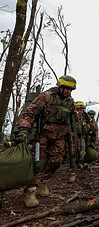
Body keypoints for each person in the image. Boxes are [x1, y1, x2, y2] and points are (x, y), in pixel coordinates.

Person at [15, 75, 77, 207]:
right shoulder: (46, 97)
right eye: (67, 89)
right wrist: (24, 130)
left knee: (57, 161)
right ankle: (30, 191)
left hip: (59, 136)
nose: (68, 92)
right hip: (41, 135)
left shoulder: (70, 102)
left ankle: (42, 182)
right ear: (60, 87)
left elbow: (71, 122)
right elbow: (30, 113)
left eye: (71, 90)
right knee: (37, 163)